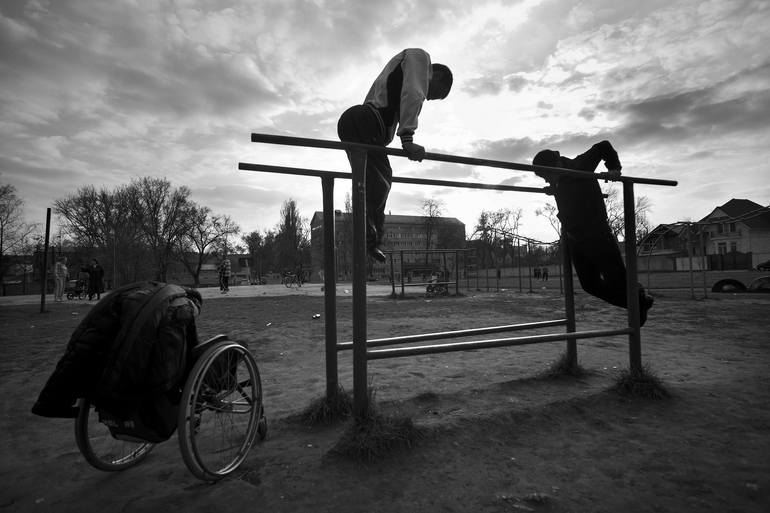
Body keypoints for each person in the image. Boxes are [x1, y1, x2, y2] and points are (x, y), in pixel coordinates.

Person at [337, 48, 453, 263]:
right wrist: (407, 139)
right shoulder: (420, 58)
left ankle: (370, 238)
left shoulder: (400, 75)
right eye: (435, 93)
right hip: (365, 123)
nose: (428, 97)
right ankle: (369, 238)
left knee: (370, 183)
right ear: (436, 74)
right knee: (380, 182)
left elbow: (401, 95)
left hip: (359, 124)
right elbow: (414, 92)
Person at [532, 140, 654, 325]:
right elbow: (566, 189)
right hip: (575, 238)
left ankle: (638, 301)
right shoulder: (559, 179)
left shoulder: (579, 166)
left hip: (597, 234)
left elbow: (603, 146)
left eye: (547, 176)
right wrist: (554, 190)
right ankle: (638, 303)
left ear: (557, 165)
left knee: (618, 282)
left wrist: (614, 169)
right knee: (590, 285)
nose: (547, 180)